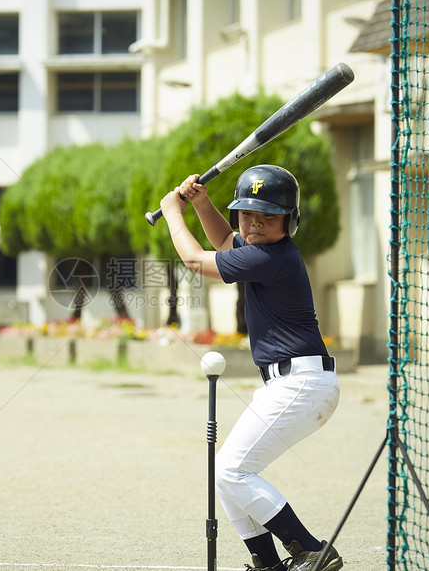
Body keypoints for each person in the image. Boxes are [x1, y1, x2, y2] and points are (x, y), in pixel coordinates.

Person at [159, 165, 343, 571]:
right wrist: (202, 203)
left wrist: (174, 212)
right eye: (247, 213)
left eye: (267, 216)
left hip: (302, 382)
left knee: (231, 470)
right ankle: (267, 563)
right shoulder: (260, 251)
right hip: (292, 382)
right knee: (227, 473)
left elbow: (194, 260)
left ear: (289, 222)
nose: (255, 223)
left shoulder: (272, 257)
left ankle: (310, 549)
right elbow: (225, 241)